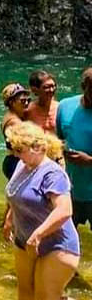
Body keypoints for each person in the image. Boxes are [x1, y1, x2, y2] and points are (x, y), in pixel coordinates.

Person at [3, 120, 91, 300]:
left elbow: (65, 210)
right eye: (14, 149)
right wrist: (9, 219)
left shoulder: (52, 174)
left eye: (19, 149)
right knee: (25, 289)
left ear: (38, 148)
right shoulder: (22, 164)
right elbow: (15, 193)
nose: (16, 154)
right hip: (25, 239)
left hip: (57, 244)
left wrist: (39, 234)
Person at [57, 66, 92, 227]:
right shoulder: (65, 106)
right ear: (83, 87)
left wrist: (89, 161)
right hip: (70, 190)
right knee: (64, 242)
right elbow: (60, 140)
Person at [0, 83, 34, 177]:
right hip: (16, 162)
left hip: (13, 160)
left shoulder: (14, 115)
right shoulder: (14, 121)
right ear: (11, 102)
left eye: (28, 100)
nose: (26, 103)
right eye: (23, 101)